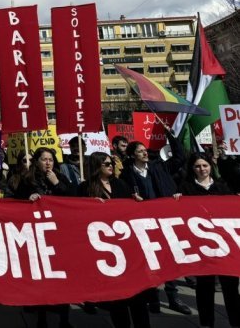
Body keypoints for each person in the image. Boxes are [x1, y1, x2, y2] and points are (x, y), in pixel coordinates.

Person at [119, 138, 191, 315]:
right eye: (140, 151)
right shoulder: (126, 175)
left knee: (170, 257)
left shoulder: (158, 167)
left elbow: (180, 158)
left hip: (164, 219)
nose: (145, 153)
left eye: (145, 150)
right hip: (142, 223)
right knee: (149, 260)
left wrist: (173, 137)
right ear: (132, 154)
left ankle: (173, 297)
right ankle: (152, 297)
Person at [77, 152, 148, 328]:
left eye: (111, 163)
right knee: (118, 297)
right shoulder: (86, 188)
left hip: (126, 244)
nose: (110, 166)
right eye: (106, 163)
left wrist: (136, 202)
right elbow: (76, 213)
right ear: (96, 167)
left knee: (138, 295)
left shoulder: (121, 184)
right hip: (106, 249)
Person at [14, 147, 74, 328]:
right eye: (44, 159)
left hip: (59, 234)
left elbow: (72, 198)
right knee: (42, 277)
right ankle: (42, 316)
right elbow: (16, 204)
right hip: (38, 235)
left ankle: (64, 318)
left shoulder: (60, 177)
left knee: (63, 279)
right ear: (37, 162)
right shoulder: (27, 180)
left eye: (51, 159)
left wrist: (57, 184)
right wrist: (28, 199)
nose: (48, 162)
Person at [179, 153, 240, 328]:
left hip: (224, 245)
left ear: (210, 167)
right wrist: (176, 200)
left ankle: (236, 322)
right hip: (202, 246)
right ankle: (207, 323)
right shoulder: (186, 188)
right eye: (198, 166)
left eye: (205, 165)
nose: (202, 169)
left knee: (230, 286)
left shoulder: (223, 186)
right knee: (204, 287)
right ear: (192, 168)